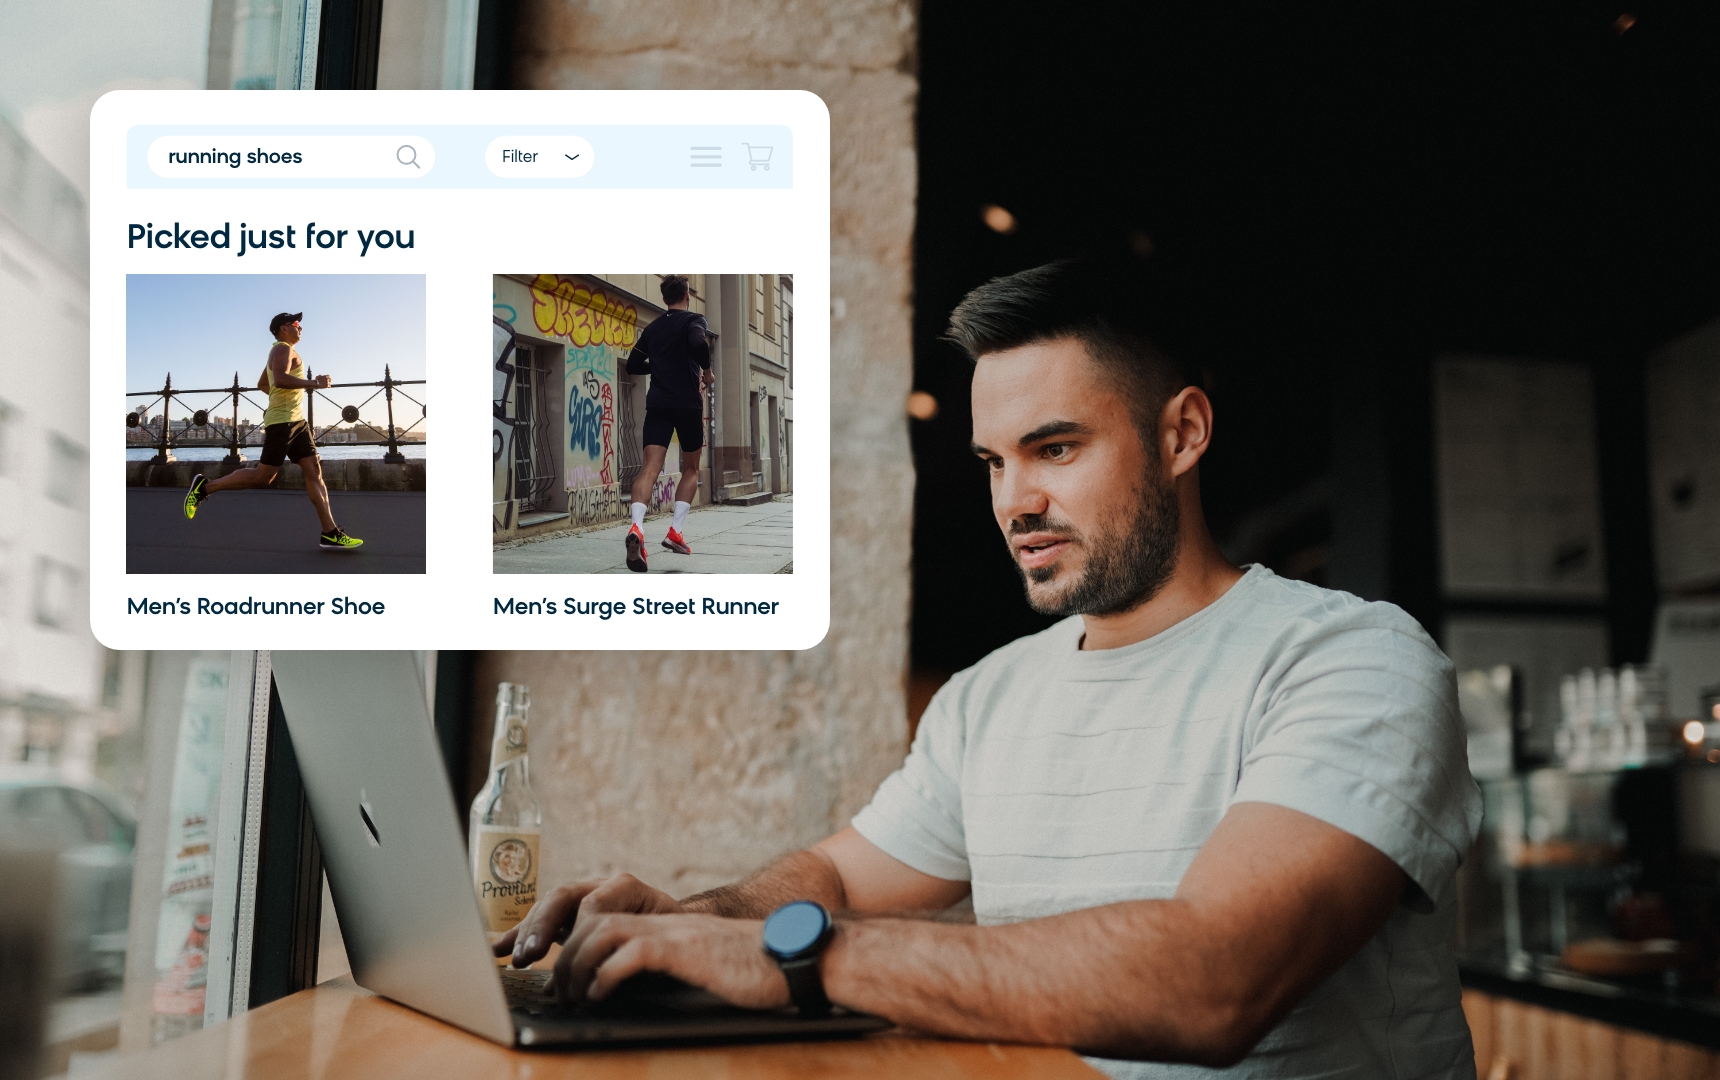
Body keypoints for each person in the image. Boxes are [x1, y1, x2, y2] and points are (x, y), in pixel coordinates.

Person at [500, 260, 1483, 1079]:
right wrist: (690, 923)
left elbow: (1213, 980)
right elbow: (843, 871)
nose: (1015, 501)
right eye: (992, 463)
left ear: (1182, 432)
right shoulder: (990, 698)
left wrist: (791, 957)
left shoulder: (1350, 660)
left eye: (1054, 448)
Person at [183, 312, 363, 550]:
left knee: (314, 471)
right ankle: (204, 487)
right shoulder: (282, 349)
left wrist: (284, 400)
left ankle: (330, 532)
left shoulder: (284, 350)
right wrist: (314, 384)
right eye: (296, 324)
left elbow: (263, 384)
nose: (301, 328)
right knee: (263, 476)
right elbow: (278, 380)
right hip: (283, 423)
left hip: (297, 422)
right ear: (283, 328)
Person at [619, 275, 712, 572]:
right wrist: (707, 372)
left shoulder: (654, 328)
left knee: (649, 468)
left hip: (657, 404)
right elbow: (698, 342)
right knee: (691, 467)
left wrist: (659, 366)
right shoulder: (695, 319)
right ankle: (675, 532)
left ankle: (636, 527)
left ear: (664, 299)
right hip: (687, 404)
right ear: (687, 294)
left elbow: (633, 365)